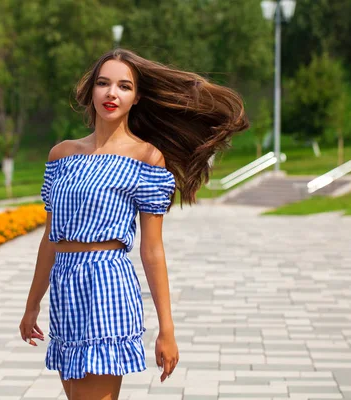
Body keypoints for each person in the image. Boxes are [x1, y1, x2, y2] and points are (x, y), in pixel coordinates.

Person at [18, 48, 248, 400]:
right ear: (90, 91)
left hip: (107, 284)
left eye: (124, 86)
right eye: (103, 83)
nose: (112, 93)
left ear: (136, 96)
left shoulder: (146, 157)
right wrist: (33, 304)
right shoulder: (61, 155)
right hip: (65, 289)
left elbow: (152, 249)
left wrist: (166, 329)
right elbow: (50, 239)